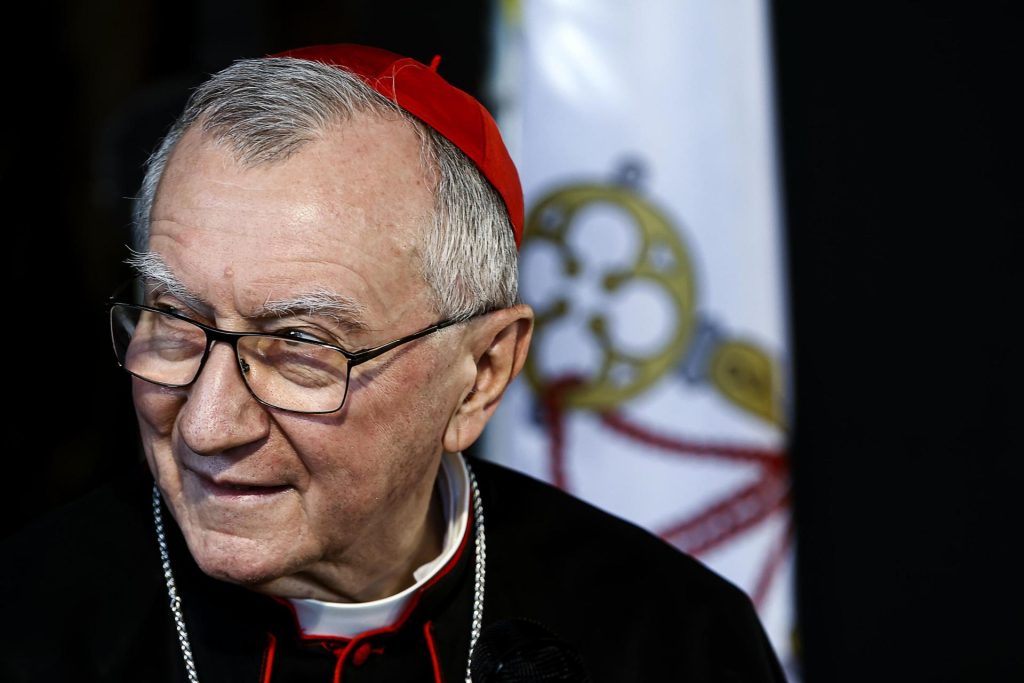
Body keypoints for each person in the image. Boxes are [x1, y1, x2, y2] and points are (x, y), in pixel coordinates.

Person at [0, 44, 786, 682]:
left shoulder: (668, 637)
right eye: (176, 320)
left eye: (301, 347)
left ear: (482, 371)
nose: (208, 426)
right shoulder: (26, 621)